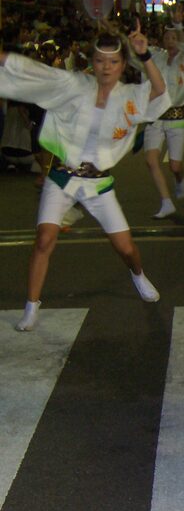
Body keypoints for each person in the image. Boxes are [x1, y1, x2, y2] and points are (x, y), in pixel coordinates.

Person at [0, 23, 170, 332]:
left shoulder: (130, 95)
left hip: (99, 184)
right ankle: (31, 306)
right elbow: (33, 73)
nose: (106, 68)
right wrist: (5, 60)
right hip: (62, 177)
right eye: (100, 61)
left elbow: (159, 92)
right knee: (44, 239)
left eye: (114, 62)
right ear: (91, 62)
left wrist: (144, 54)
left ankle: (137, 275)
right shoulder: (73, 84)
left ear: (122, 65)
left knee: (126, 248)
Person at [133, 6, 184, 218]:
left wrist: (179, 24)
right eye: (167, 36)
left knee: (174, 165)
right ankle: (166, 202)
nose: (171, 40)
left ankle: (179, 178)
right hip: (155, 117)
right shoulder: (156, 57)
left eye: (174, 37)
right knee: (151, 160)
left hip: (177, 118)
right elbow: (135, 56)